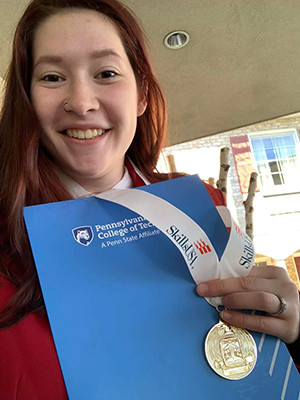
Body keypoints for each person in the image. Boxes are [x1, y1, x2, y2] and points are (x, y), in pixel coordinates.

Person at [0, 0, 298, 398]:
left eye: (106, 73)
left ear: (141, 94)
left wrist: (287, 330)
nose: (82, 102)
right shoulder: (6, 235)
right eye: (52, 77)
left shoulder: (203, 204)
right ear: (28, 102)